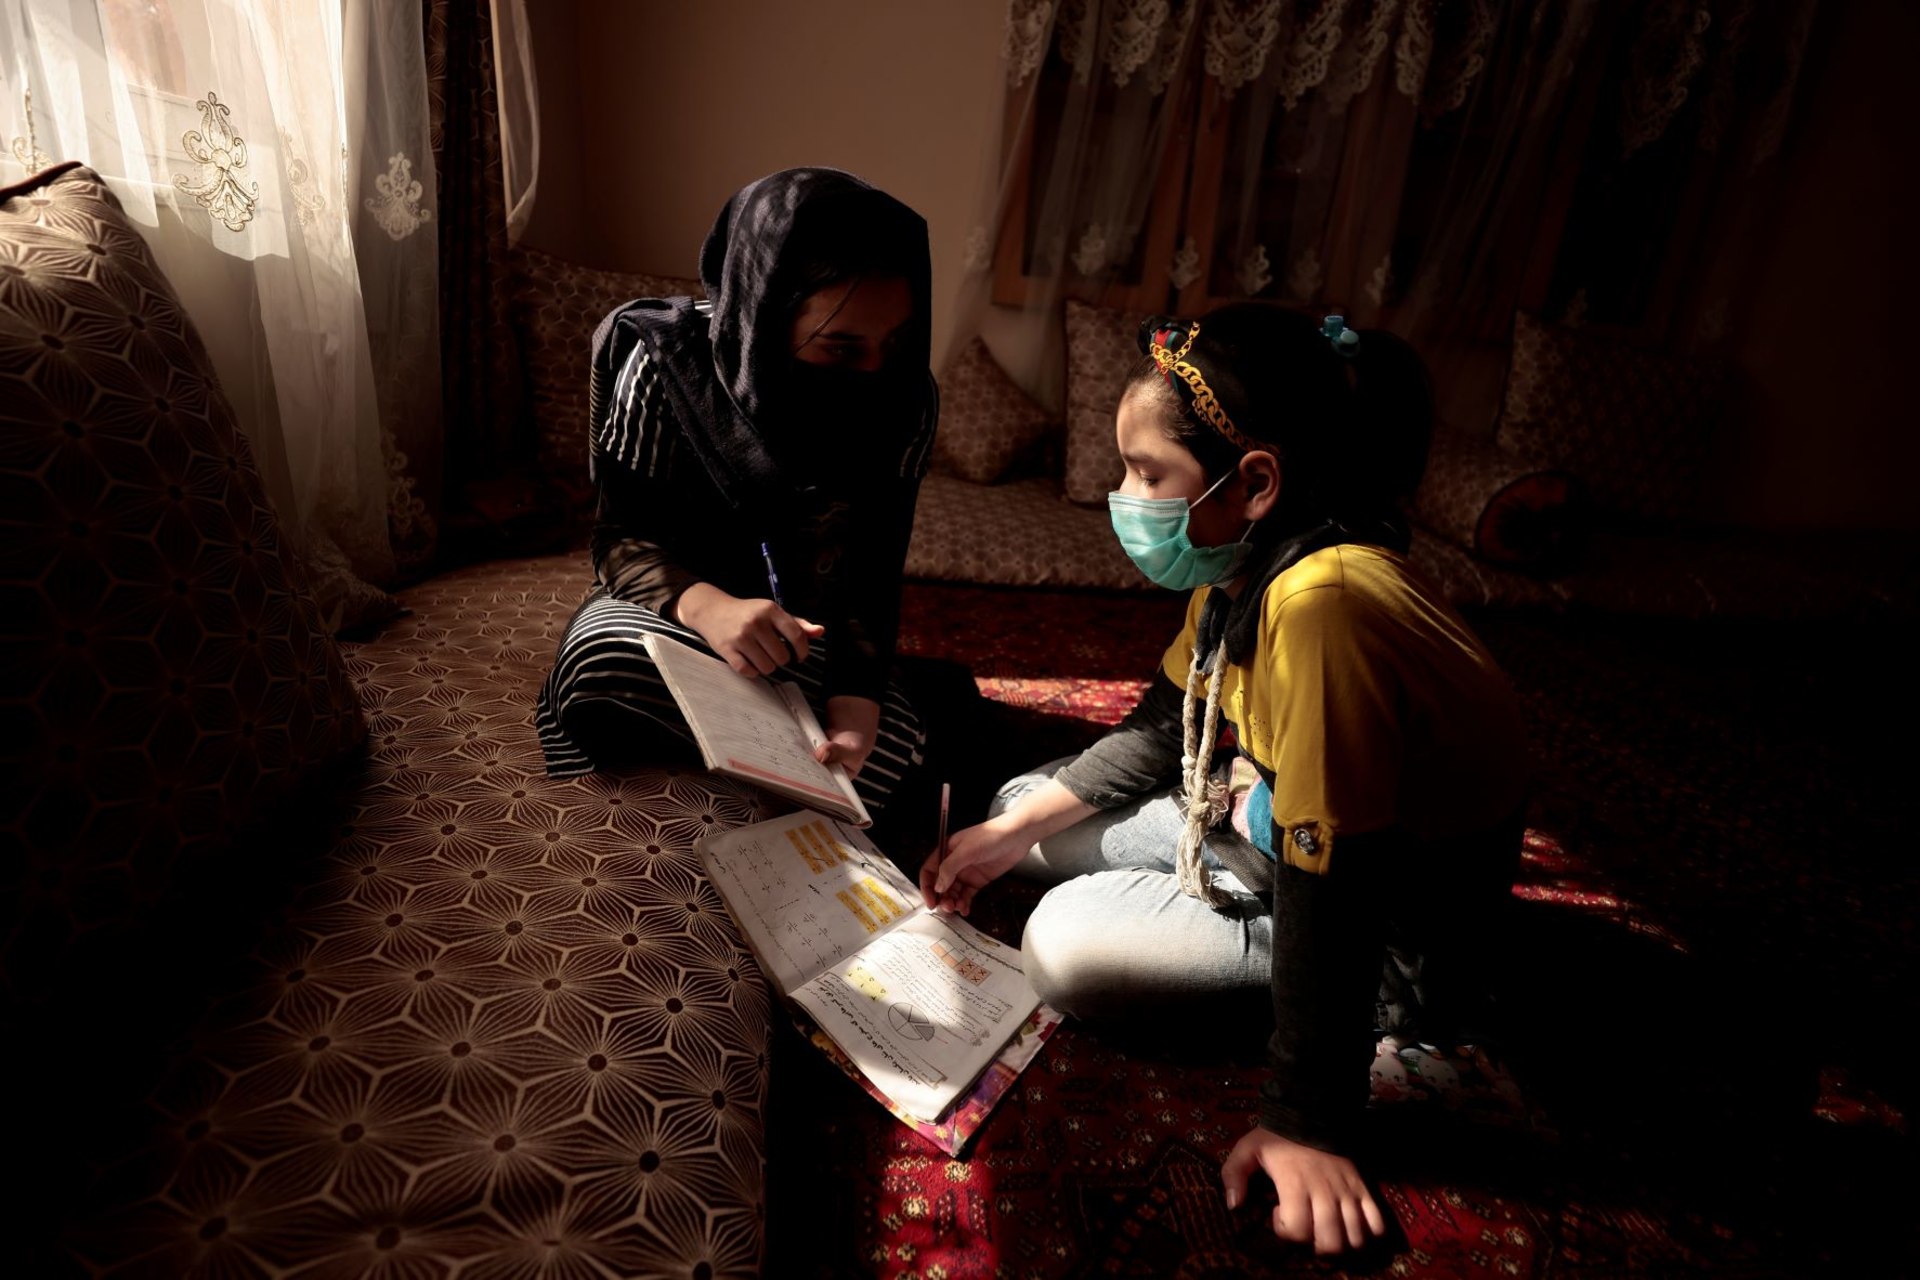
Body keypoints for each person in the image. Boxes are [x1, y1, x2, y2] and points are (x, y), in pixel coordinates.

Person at [922, 304, 1529, 1255]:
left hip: (1385, 912)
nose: (1127, 495)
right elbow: (1167, 727)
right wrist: (1009, 833)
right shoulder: (1243, 562)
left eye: (1145, 472)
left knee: (1064, 948)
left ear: (1253, 482)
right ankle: (1189, 870)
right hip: (1261, 813)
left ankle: (1406, 1028)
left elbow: (1342, 876)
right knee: (1013, 812)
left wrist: (1307, 1121)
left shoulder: (1327, 608)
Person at [536, 168, 937, 817]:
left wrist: (855, 708)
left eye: (891, 345)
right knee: (598, 662)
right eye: (839, 348)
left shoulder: (904, 398)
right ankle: (753, 761)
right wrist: (711, 609)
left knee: (889, 757)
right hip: (676, 610)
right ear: (767, 316)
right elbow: (620, 542)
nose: (872, 373)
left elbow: (871, 572)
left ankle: (753, 755)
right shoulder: (665, 364)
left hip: (804, 637)